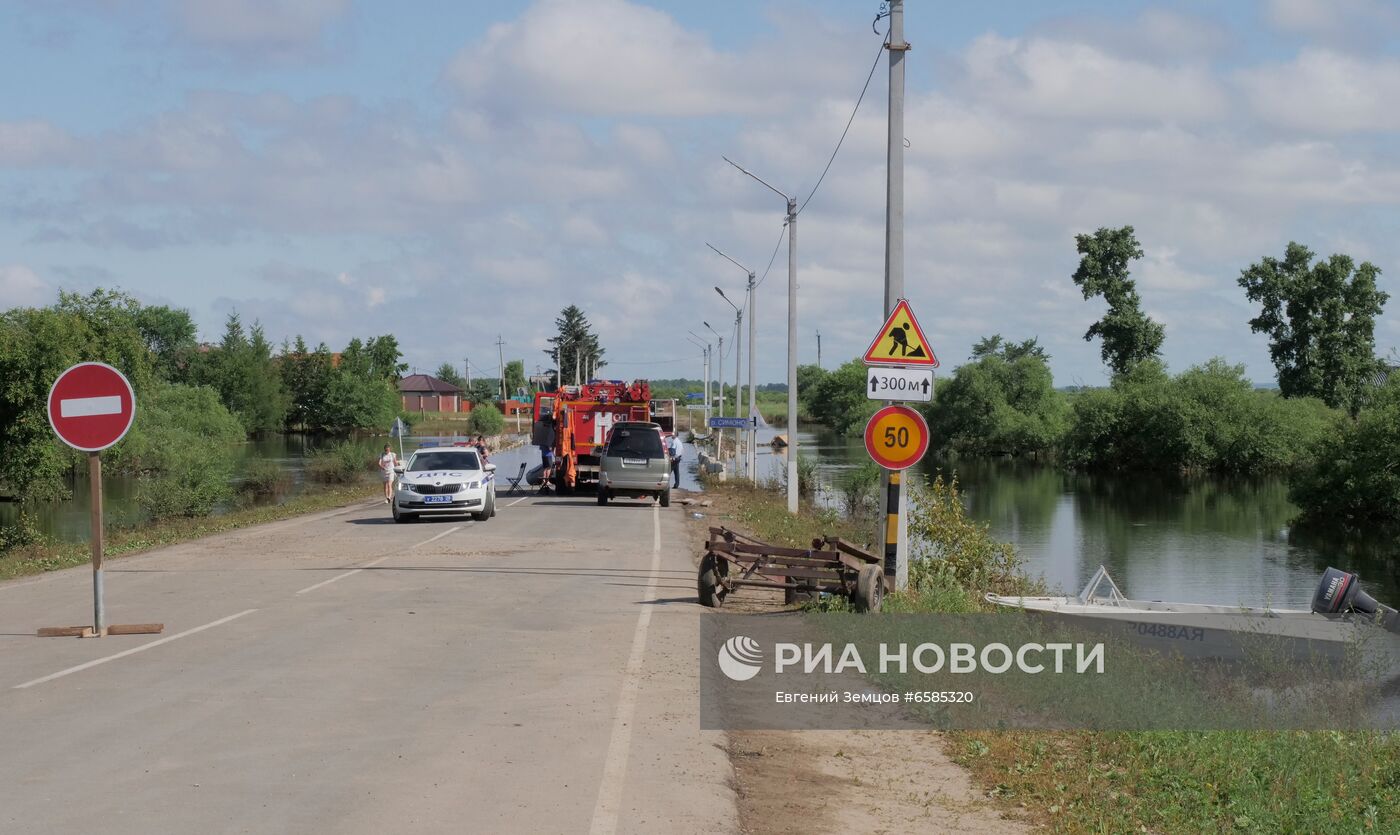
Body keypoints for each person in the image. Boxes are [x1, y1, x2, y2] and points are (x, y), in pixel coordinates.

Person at [538, 417, 557, 494]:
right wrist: (553, 451)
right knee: (548, 468)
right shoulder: (548, 435)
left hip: (543, 453)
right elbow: (549, 446)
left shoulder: (543, 434)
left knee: (545, 467)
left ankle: (544, 480)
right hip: (548, 453)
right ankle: (546, 480)